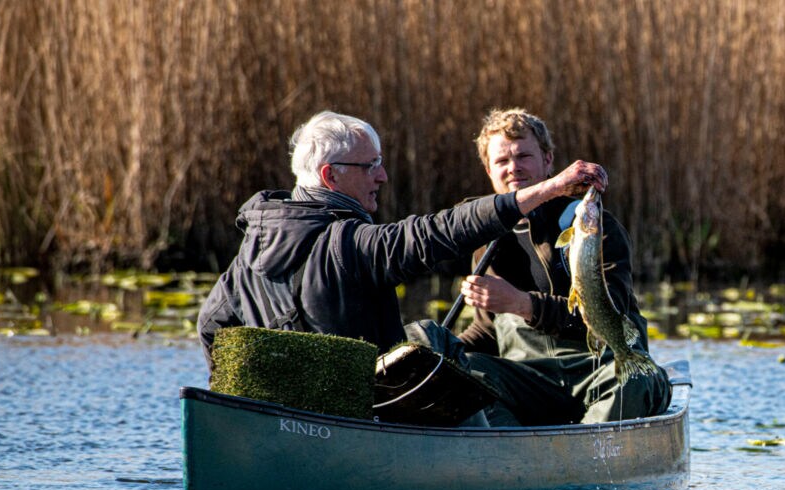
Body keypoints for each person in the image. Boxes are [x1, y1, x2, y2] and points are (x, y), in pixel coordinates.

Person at [196, 110, 607, 378]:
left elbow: (211, 325)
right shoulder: (349, 244)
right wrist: (550, 189)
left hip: (302, 421)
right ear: (331, 176)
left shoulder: (251, 249)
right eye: (370, 165)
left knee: (427, 337)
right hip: (357, 423)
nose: (382, 176)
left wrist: (252, 398)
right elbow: (438, 232)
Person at [454, 108, 671, 425]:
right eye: (502, 161)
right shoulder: (486, 241)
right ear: (489, 170)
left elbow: (610, 313)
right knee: (463, 374)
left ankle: (588, 458)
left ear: (548, 160)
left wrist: (520, 303)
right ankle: (514, 459)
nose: (514, 168)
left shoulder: (593, 226)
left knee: (634, 381)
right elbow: (488, 332)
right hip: (530, 381)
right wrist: (439, 351)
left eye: (524, 156)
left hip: (599, 367)